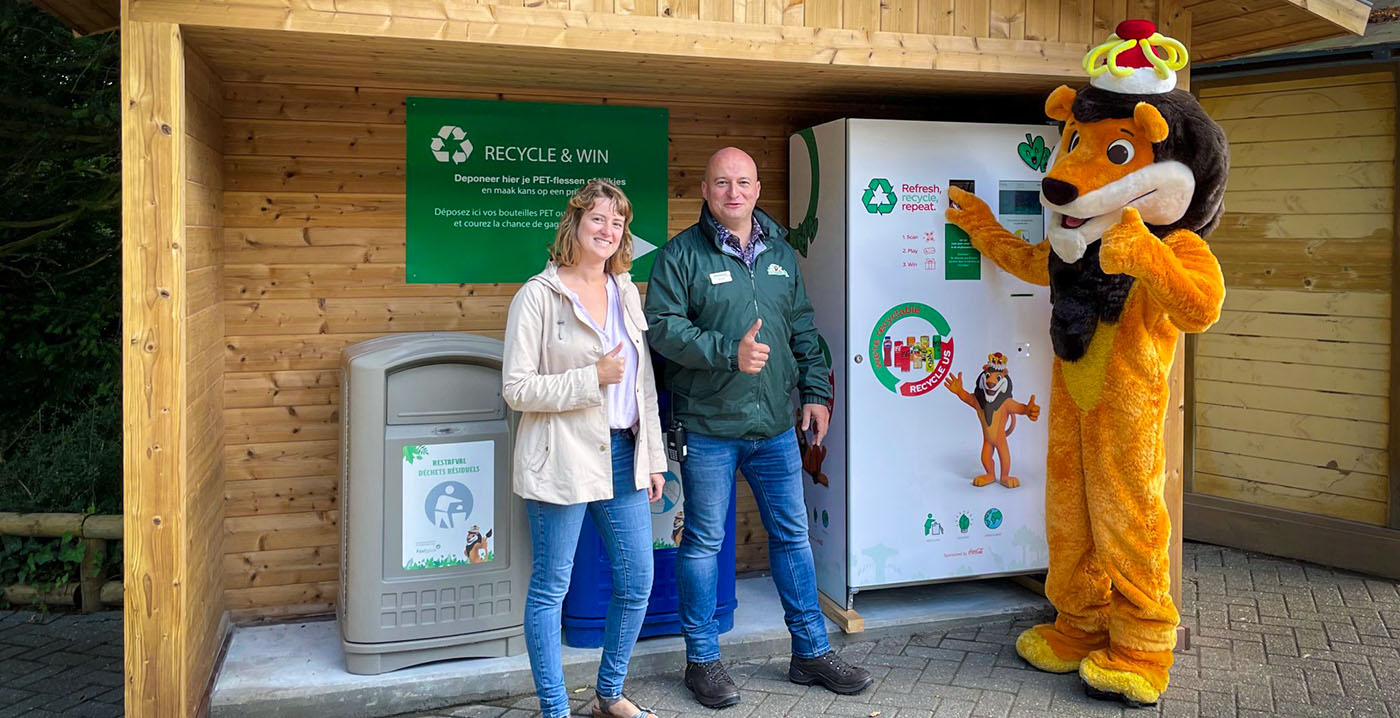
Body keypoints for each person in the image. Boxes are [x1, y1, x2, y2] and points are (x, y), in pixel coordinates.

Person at [644, 148, 873, 708]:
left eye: (743, 182)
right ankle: (702, 662)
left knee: (792, 537)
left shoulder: (781, 254)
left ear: (757, 187)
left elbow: (801, 324)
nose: (733, 193)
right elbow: (662, 328)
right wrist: (728, 352)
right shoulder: (679, 257)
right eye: (721, 183)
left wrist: (816, 391)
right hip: (708, 427)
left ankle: (811, 653)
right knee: (703, 543)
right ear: (704, 190)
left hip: (773, 425)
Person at [502, 179, 668, 718]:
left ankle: (608, 695)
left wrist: (654, 458)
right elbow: (517, 388)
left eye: (618, 222)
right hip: (561, 456)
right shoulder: (538, 296)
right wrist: (589, 377)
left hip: (623, 453)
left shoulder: (625, 288)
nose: (608, 230)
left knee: (637, 580)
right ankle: (555, 709)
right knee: (553, 586)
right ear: (573, 225)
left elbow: (641, 386)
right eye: (598, 219)